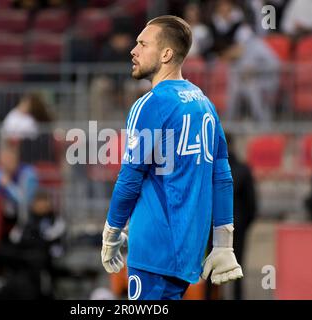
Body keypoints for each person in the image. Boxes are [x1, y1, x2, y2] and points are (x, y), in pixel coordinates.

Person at [101, 15, 243, 301]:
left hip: (153, 248)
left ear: (166, 54)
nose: (133, 50)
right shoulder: (204, 102)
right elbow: (222, 177)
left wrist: (112, 231)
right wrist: (223, 243)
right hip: (188, 249)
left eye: (142, 43)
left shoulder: (151, 104)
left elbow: (130, 178)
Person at [0, 188, 65, 299]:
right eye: (37, 201)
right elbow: (15, 237)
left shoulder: (56, 221)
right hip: (21, 253)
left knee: (35, 260)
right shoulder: (26, 221)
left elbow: (48, 239)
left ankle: (39, 292)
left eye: (43, 201)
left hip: (40, 256)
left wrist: (32, 238)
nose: (40, 205)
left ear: (49, 204)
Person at [225, 133, 257, 300]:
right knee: (237, 267)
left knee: (210, 269)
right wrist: (244, 224)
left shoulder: (209, 169)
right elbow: (252, 203)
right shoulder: (244, 170)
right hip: (237, 226)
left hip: (214, 226)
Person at [0, 145, 39, 237]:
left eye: (5, 160)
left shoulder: (28, 174)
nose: (1, 163)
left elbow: (25, 200)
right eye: (0, 160)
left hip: (25, 214)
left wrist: (8, 185)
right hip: (2, 214)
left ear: (14, 159)